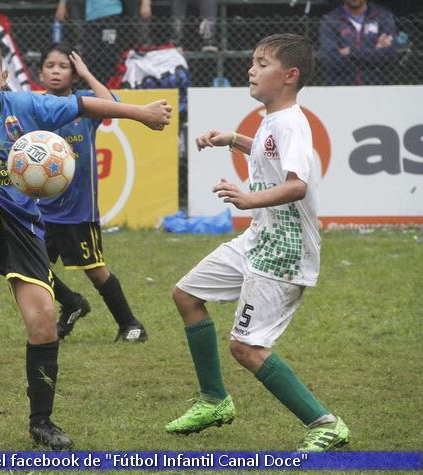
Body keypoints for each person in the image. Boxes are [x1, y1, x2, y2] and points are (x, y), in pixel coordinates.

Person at [0, 34, 171, 449]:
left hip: (24, 230)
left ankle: (41, 423)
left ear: (5, 77)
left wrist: (140, 112)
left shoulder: (25, 107)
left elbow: (82, 105)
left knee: (43, 323)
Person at [165, 33, 350, 452]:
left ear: (289, 76)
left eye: (262, 63)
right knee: (187, 294)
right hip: (259, 237)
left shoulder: (292, 123)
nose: (251, 68)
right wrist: (233, 139)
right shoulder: (273, 118)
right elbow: (269, 154)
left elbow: (297, 184)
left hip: (284, 251)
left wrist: (248, 199)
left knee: (246, 347)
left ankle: (325, 423)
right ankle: (214, 400)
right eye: (252, 60)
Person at [37, 42, 148, 343]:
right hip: (42, 208)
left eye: (64, 67)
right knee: (30, 268)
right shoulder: (35, 106)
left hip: (77, 209)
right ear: (41, 73)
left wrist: (87, 74)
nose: (56, 71)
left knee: (95, 270)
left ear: (73, 75)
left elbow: (114, 103)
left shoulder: (85, 102)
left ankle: (130, 324)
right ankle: (72, 303)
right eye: (51, 66)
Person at [319, 0, 397, 85]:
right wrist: (374, 51)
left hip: (376, 87)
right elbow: (331, 59)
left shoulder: (382, 17)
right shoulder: (330, 20)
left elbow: (389, 55)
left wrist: (350, 52)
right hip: (340, 88)